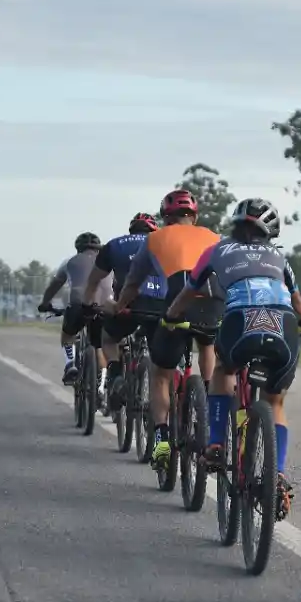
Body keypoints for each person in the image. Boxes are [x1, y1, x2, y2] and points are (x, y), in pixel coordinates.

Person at [165, 198, 301, 520]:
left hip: (239, 320)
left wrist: (171, 316)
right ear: (271, 232)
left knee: (224, 369)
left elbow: (189, 291)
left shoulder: (217, 251)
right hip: (283, 323)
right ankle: (276, 474)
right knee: (275, 402)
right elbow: (299, 303)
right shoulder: (280, 257)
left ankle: (217, 444)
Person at [112, 189, 220, 471]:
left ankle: (161, 436)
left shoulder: (155, 238)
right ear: (194, 216)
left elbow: (133, 283)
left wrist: (120, 305)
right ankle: (208, 400)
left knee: (162, 374)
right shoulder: (213, 237)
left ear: (165, 217)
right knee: (207, 343)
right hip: (212, 303)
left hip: (176, 304)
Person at [84, 212, 160, 410]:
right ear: (154, 229)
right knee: (163, 350)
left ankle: (116, 374)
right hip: (160, 306)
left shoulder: (115, 245)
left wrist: (88, 304)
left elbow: (94, 280)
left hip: (126, 306)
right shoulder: (164, 243)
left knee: (109, 338)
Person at [38, 232, 113, 385]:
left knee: (67, 335)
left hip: (79, 304)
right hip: (105, 307)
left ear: (78, 249)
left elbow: (54, 286)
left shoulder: (69, 262)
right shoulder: (109, 262)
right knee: (100, 346)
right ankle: (102, 385)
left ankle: (70, 364)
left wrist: (45, 304)